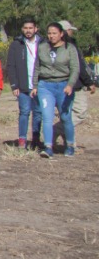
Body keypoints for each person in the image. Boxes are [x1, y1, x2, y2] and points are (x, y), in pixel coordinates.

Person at [34, 22, 80, 158]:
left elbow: (75, 68)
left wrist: (70, 84)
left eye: (54, 33)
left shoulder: (69, 48)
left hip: (64, 85)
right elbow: (37, 67)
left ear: (61, 34)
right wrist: (35, 86)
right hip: (45, 85)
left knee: (65, 117)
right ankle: (48, 147)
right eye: (49, 33)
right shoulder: (42, 47)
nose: (51, 36)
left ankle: (70, 145)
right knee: (47, 117)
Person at [5, 18, 44, 149]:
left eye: (30, 28)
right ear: (22, 29)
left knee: (38, 113)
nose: (28, 31)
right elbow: (11, 66)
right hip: (23, 85)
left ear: (36, 29)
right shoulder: (17, 44)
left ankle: (36, 139)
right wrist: (14, 85)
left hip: (38, 85)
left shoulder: (43, 43)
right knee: (24, 112)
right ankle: (22, 139)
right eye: (25, 28)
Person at [59, 20, 94, 125]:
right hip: (74, 84)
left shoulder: (50, 46)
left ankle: (64, 132)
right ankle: (59, 129)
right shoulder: (71, 46)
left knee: (66, 110)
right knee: (80, 111)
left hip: (60, 83)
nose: (72, 32)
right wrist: (89, 82)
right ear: (66, 31)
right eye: (70, 30)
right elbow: (79, 66)